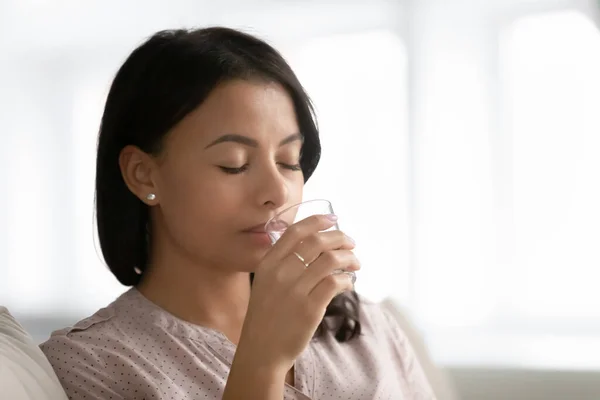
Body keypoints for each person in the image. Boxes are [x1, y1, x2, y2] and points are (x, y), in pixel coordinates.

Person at [40, 27, 436, 400]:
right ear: (142, 174)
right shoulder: (88, 365)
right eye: (234, 163)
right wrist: (262, 362)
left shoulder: (367, 327)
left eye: (289, 161)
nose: (277, 192)